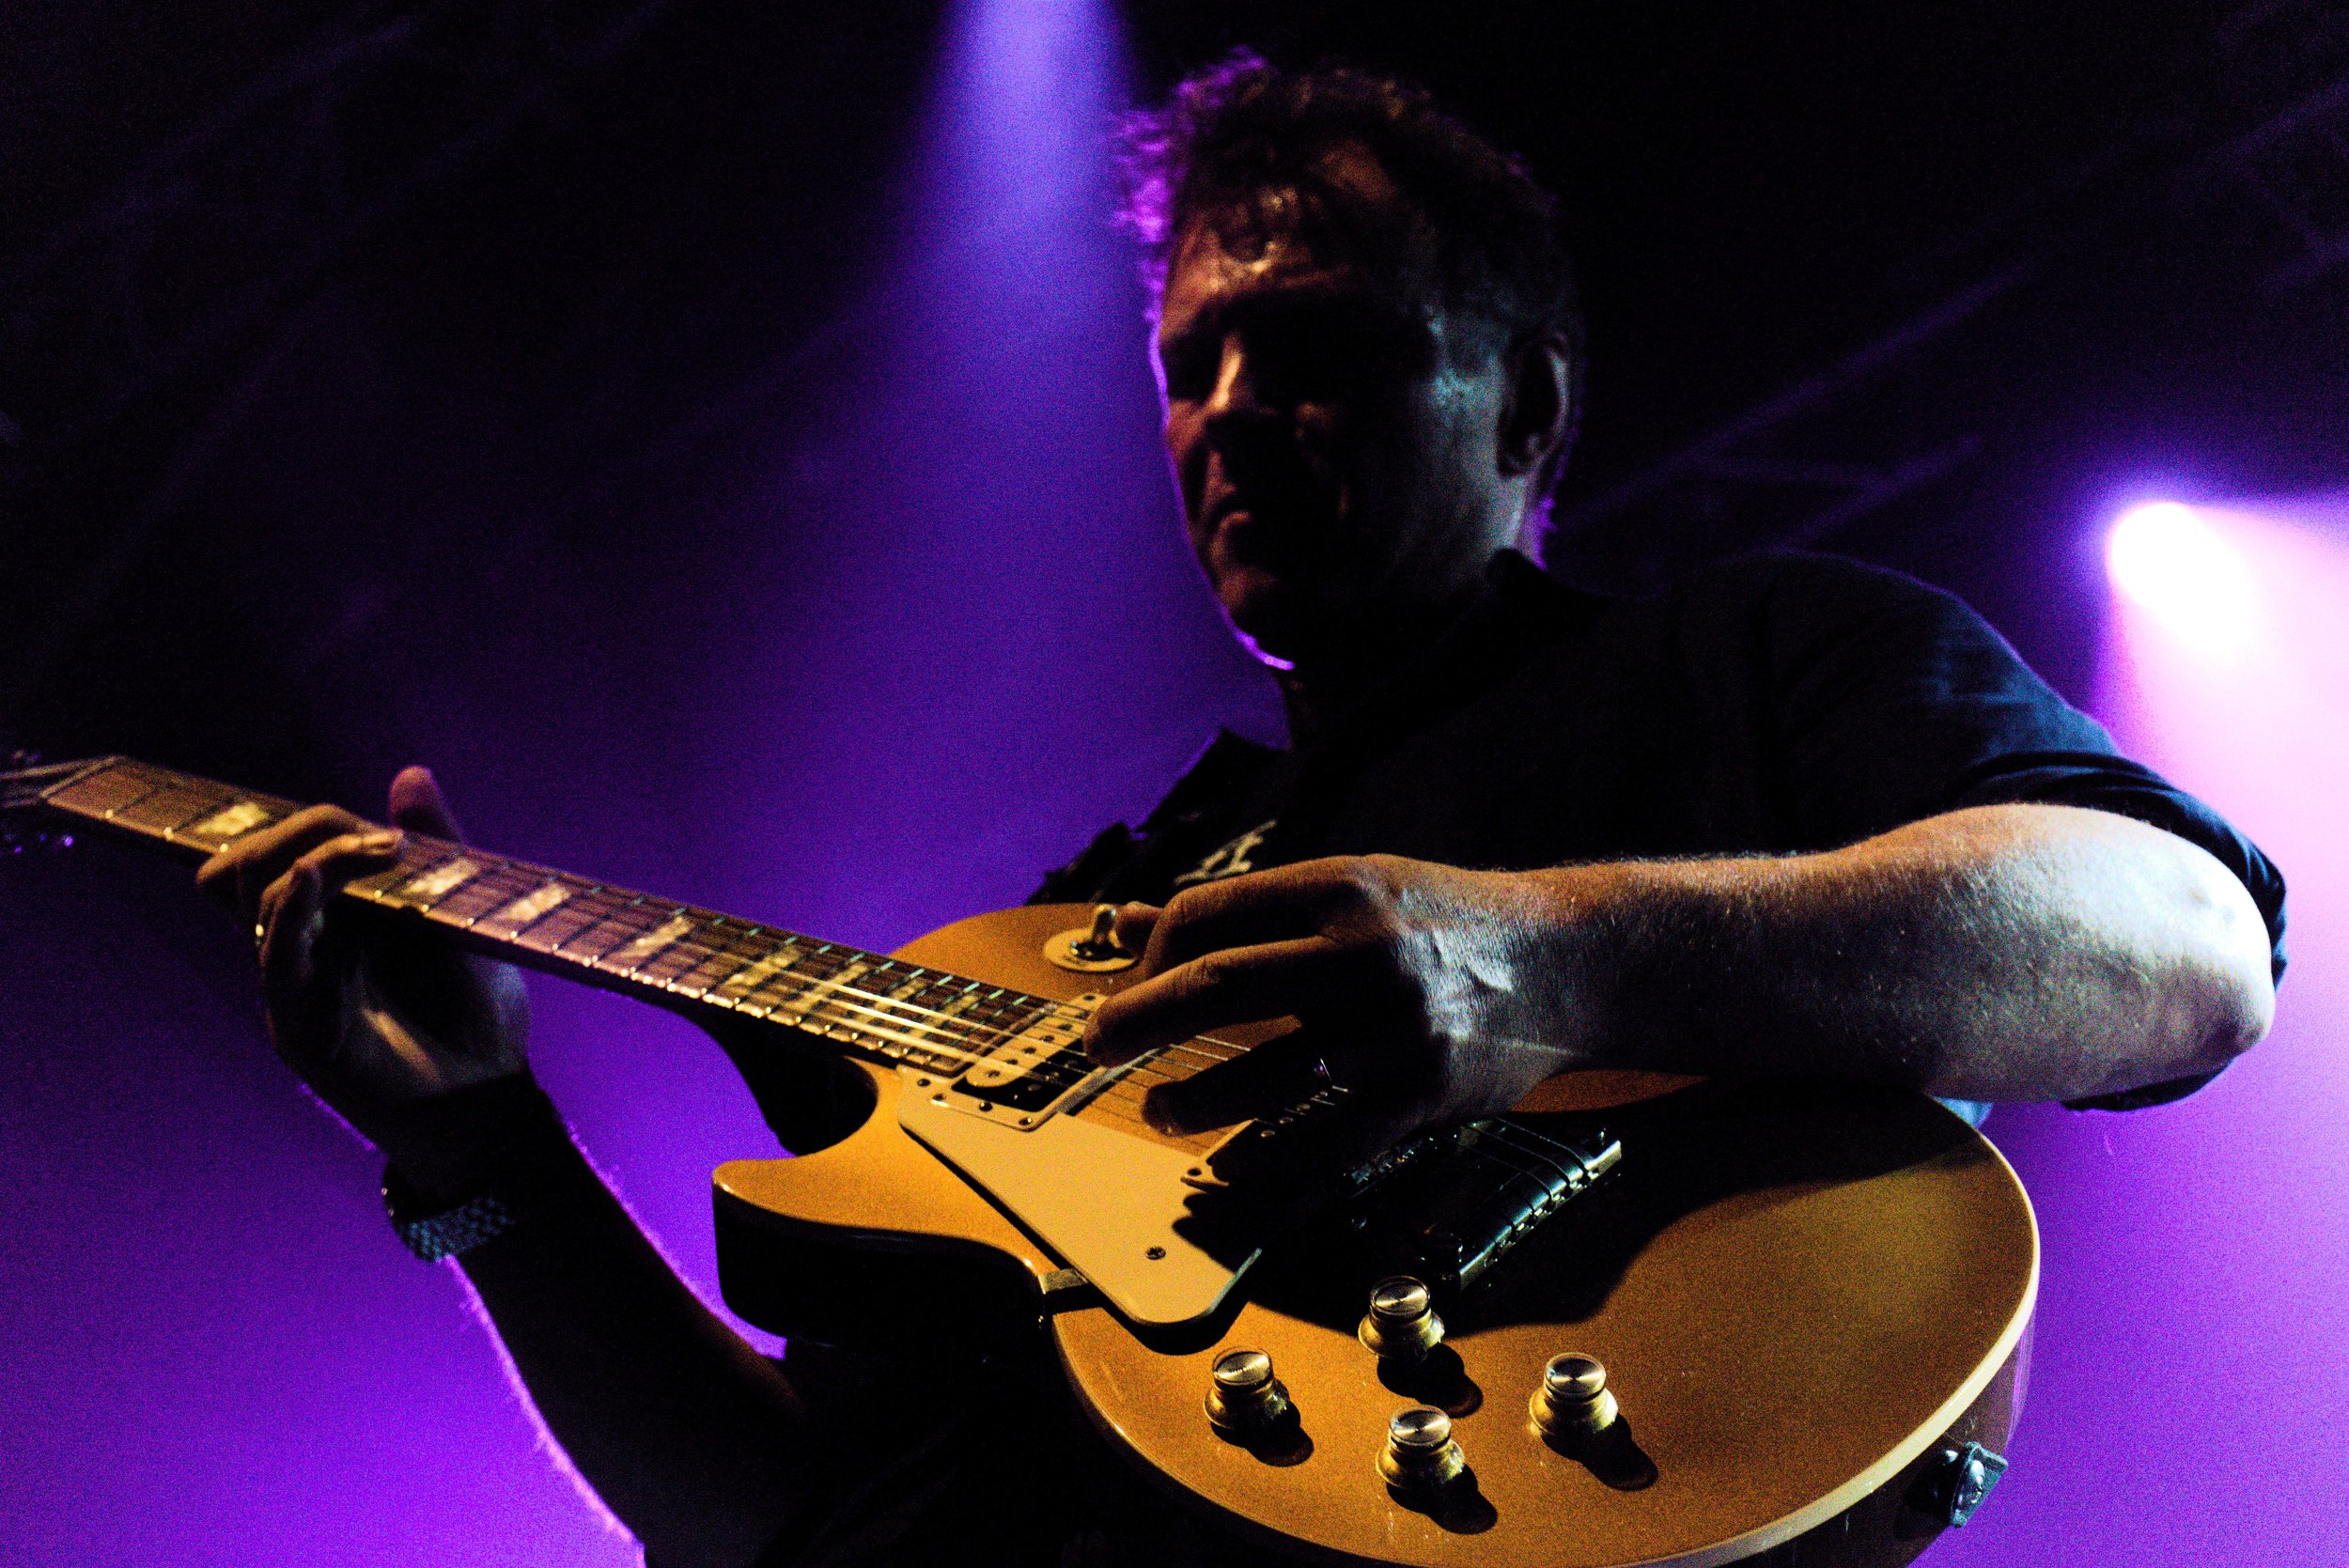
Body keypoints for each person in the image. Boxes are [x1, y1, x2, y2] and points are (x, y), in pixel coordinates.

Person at [196, 54, 2283, 1568]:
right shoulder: (1105, 918)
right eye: (1190, 365)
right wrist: (473, 1141)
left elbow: (2181, 952)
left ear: (1526, 405)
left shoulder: (1740, 659)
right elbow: (775, 1517)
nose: (1229, 419)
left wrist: (1539, 957)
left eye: (1316, 351)